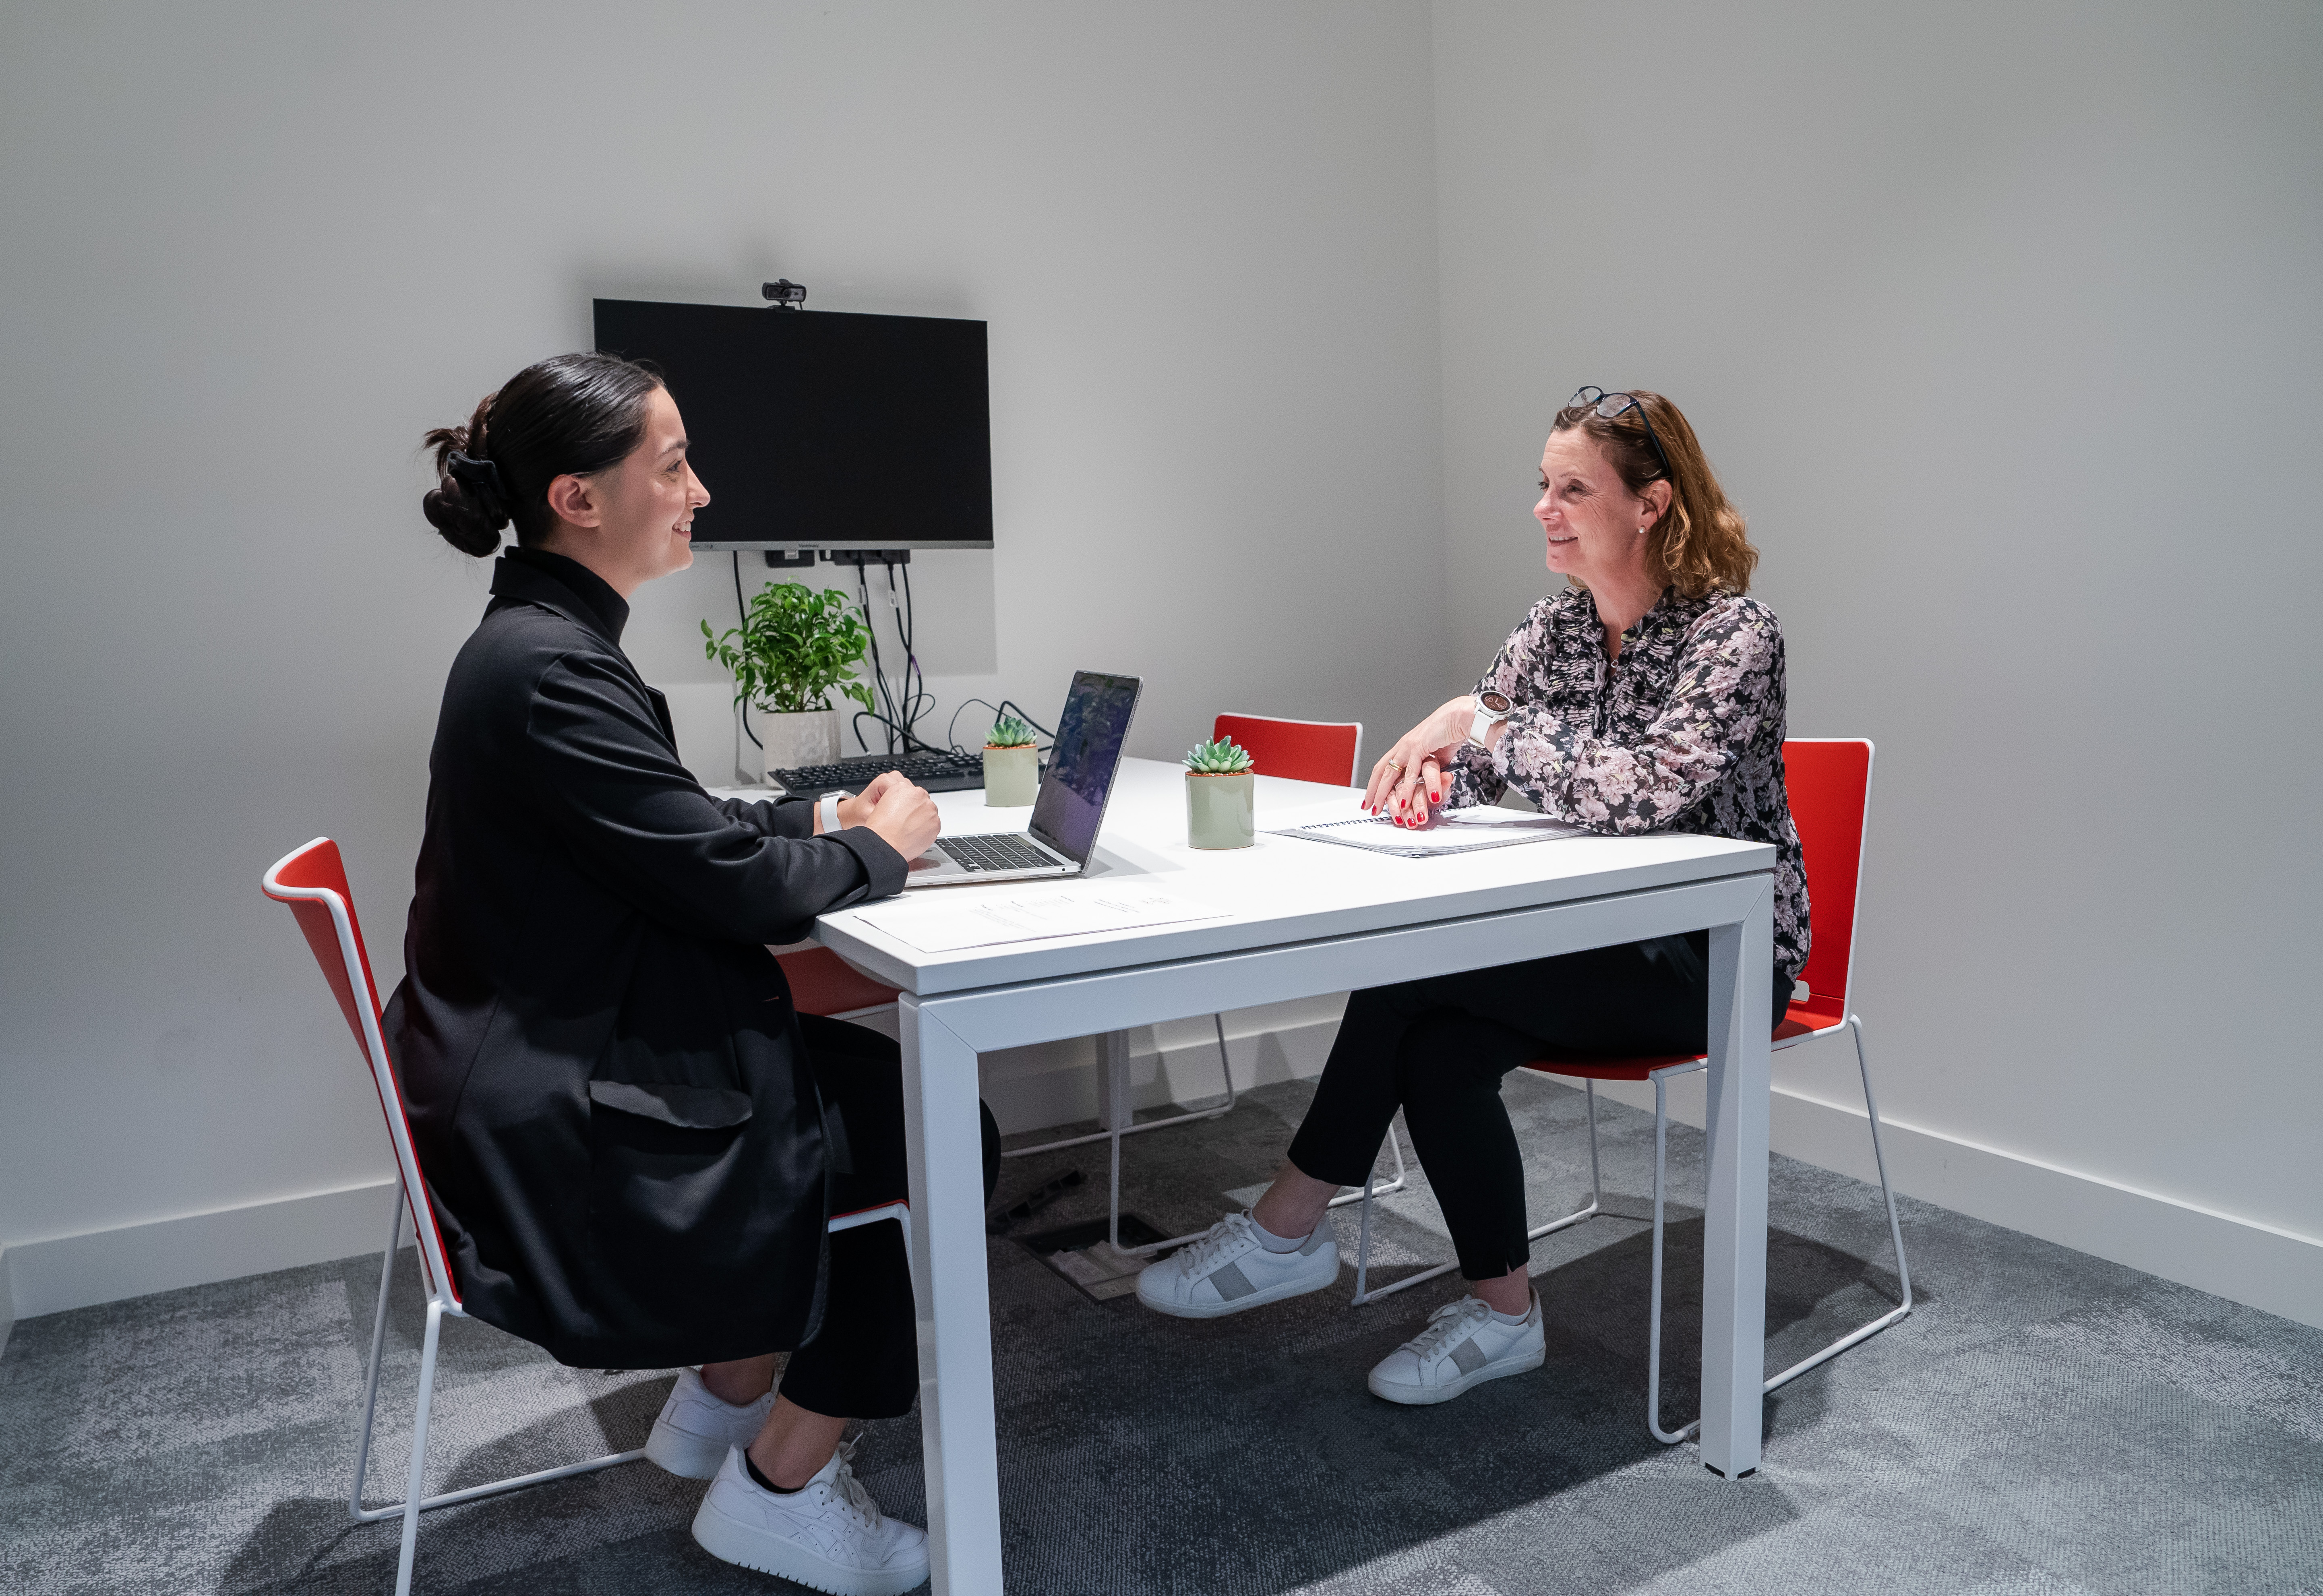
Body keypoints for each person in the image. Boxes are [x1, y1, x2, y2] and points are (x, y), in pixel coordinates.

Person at [389, 352, 991, 1596]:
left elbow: (674, 830)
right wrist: (884, 848)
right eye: (671, 465)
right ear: (579, 499)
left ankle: (721, 1403)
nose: (701, 492)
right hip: (568, 1132)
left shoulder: (541, 646)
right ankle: (779, 1486)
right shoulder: (553, 670)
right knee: (932, 1128)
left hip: (544, 1063)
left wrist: (823, 823)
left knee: (873, 1091)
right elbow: (729, 890)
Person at [1136, 388, 1810, 1407]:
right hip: (1592, 932)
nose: (1545, 506)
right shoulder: (1556, 626)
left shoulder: (1734, 635)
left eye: (1573, 488)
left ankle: (1288, 1225)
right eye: (1543, 484)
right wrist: (1429, 780)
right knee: (1441, 1043)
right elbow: (1485, 766)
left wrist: (1478, 724)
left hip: (1714, 953)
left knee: (1412, 977)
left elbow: (1642, 793)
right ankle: (1502, 1314)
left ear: (1652, 503)